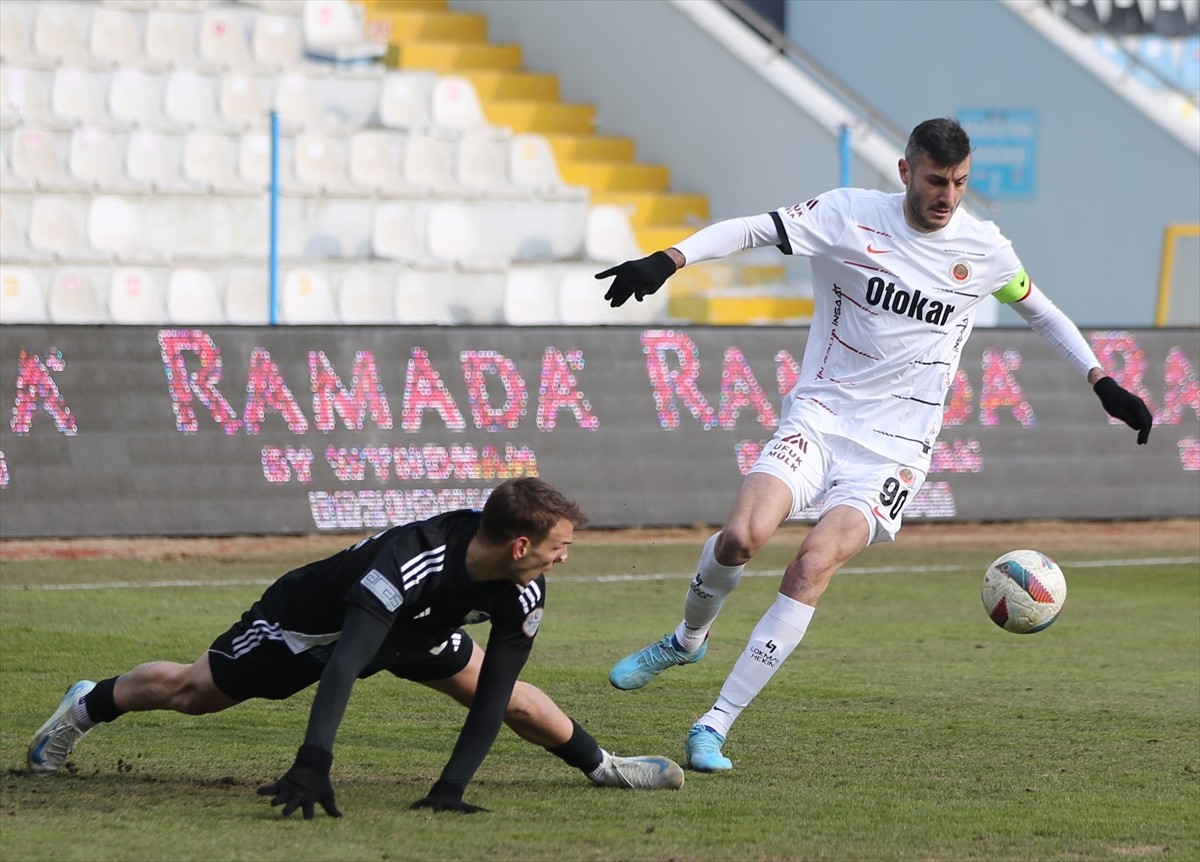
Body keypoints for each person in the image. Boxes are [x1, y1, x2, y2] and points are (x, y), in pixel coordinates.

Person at [594, 117, 1153, 772]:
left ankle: (714, 723)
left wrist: (1102, 380)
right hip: (820, 416)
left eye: (960, 183)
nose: (948, 195)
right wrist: (671, 258)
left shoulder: (985, 250)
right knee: (741, 538)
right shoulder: (846, 216)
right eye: (937, 180)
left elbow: (1042, 310)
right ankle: (688, 640)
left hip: (896, 449)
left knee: (811, 563)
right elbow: (751, 227)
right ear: (906, 171)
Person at [27, 477, 684, 817]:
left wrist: (449, 788)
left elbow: (493, 692)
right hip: (311, 628)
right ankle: (86, 706)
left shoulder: (523, 587)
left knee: (513, 700)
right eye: (558, 546)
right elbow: (343, 663)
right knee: (192, 693)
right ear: (520, 545)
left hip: (416, 631)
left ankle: (606, 767)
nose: (564, 557)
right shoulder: (409, 562)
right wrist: (314, 762)